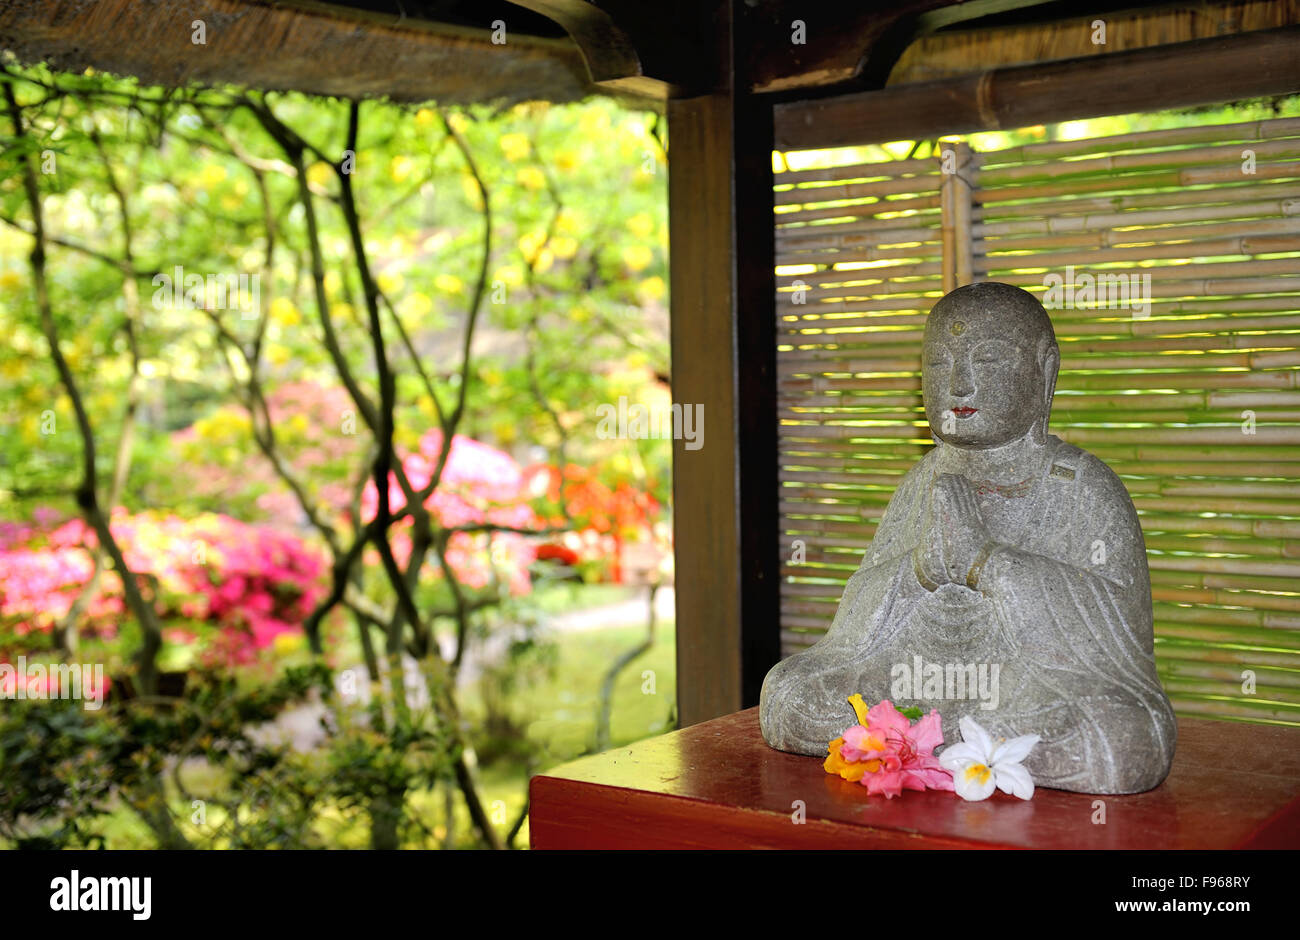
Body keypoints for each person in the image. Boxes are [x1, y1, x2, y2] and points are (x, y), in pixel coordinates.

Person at [759, 282, 1176, 794]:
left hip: (1026, 691)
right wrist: (919, 571)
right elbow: (851, 636)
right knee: (788, 693)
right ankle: (956, 743)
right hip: (914, 680)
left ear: (1045, 372)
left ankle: (923, 741)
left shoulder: (1081, 486)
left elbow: (1118, 643)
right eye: (938, 363)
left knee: (1121, 740)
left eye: (989, 359)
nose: (959, 383)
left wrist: (987, 563)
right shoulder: (920, 482)